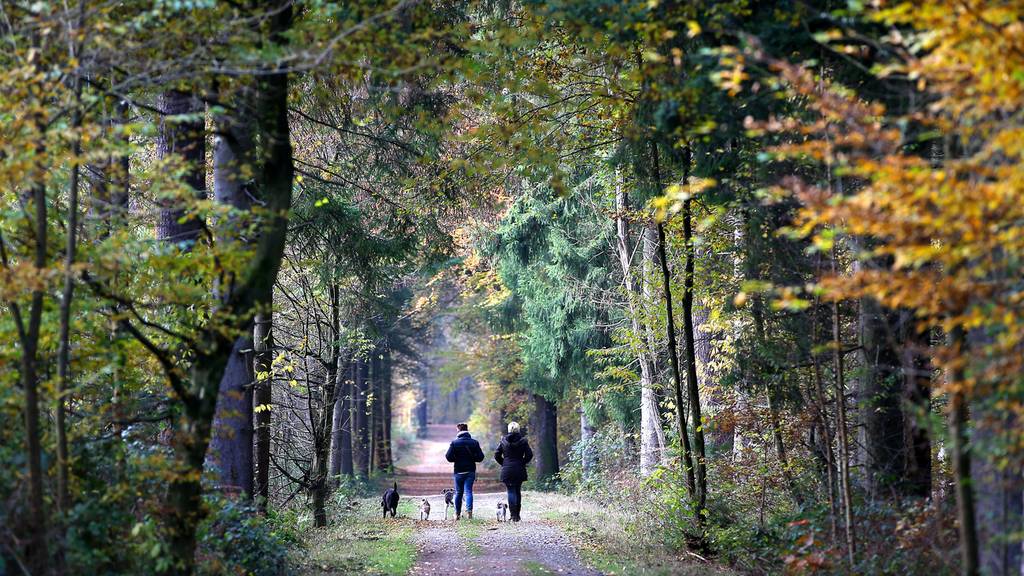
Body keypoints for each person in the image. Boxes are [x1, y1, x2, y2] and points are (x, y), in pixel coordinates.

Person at [494, 421, 533, 522]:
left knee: (511, 491)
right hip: (519, 469)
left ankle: (513, 515)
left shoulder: (503, 441)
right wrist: (523, 462)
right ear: (518, 429)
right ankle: (517, 515)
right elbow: (529, 455)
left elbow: (496, 455)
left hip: (507, 470)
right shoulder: (523, 441)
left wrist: (503, 463)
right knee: (517, 491)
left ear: (508, 430)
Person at [445, 422, 484, 520]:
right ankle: (469, 512)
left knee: (458, 493)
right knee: (468, 492)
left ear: (458, 430)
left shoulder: (454, 443)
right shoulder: (474, 442)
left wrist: (456, 459)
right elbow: (480, 457)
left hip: (458, 471)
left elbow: (448, 457)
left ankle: (457, 514)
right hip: (470, 470)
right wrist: (472, 458)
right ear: (467, 430)